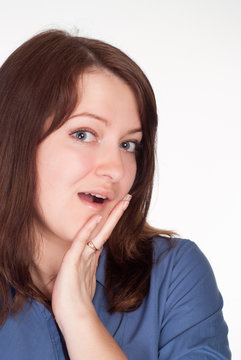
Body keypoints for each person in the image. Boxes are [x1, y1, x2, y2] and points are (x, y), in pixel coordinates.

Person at [0, 29, 231, 360]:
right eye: (83, 134)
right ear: (15, 141)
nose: (117, 169)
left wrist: (79, 317)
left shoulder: (173, 273)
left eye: (128, 144)